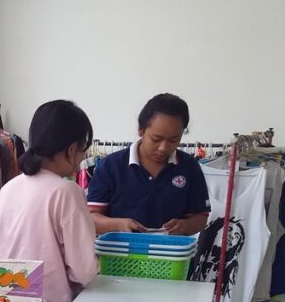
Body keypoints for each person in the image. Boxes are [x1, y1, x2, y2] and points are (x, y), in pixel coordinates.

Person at [0, 100, 99, 302]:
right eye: (83, 149)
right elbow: (84, 270)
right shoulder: (68, 192)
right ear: (71, 149)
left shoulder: (10, 188)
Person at [87, 93, 209, 235]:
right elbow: (91, 217)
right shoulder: (111, 166)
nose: (163, 148)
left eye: (173, 140)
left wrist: (183, 226)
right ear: (141, 130)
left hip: (170, 254)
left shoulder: (189, 167)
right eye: (156, 139)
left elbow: (200, 217)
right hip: (120, 254)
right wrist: (119, 224)